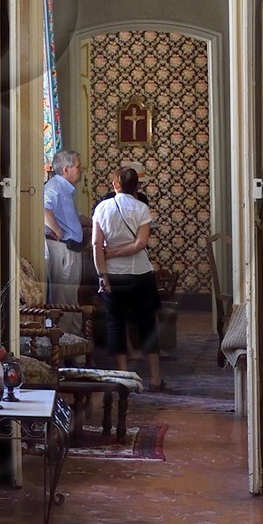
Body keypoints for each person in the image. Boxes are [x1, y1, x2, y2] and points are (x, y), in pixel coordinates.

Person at [93, 164, 163, 392]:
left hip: (113, 274)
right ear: (137, 186)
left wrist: (103, 272)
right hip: (140, 272)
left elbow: (96, 244)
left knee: (115, 322)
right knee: (147, 324)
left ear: (115, 185)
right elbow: (140, 244)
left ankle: (124, 376)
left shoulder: (102, 208)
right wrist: (123, 250)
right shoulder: (142, 208)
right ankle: (154, 378)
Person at [42, 149, 84, 306]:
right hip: (63, 249)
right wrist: (58, 230)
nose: (81, 170)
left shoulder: (65, 189)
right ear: (66, 169)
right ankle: (65, 331)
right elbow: (43, 208)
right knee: (64, 300)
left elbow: (77, 218)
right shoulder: (55, 187)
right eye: (78, 167)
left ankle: (72, 330)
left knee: (71, 297)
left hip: (71, 249)